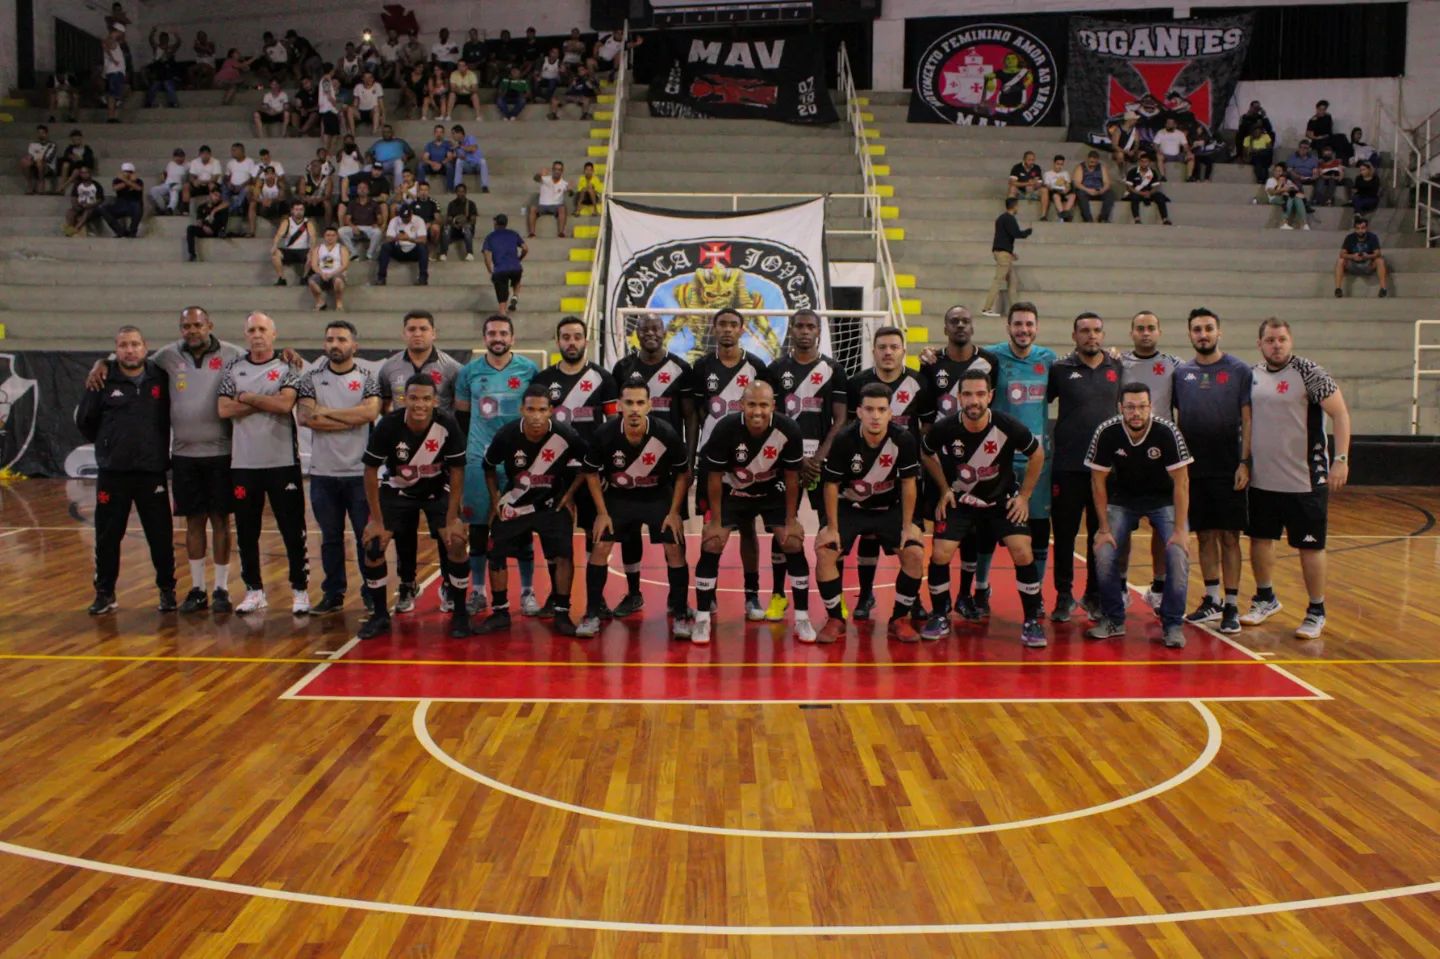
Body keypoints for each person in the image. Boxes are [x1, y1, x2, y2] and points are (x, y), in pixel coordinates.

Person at [920, 370, 1047, 648]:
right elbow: (926, 453)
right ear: (959, 397)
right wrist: (944, 489)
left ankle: (1031, 620)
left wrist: (1024, 497)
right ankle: (940, 615)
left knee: (1022, 550)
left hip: (1000, 502)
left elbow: (1037, 454)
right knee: (940, 552)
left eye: (980, 394)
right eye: (967, 394)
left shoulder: (1007, 425)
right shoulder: (946, 427)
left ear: (990, 396)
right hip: (962, 502)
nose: (973, 400)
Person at [1242, 319, 1351, 640]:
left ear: (1290, 341)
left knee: (1310, 546)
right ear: (1260, 344)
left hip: (1304, 480)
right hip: (1262, 479)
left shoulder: (1310, 373)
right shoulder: (1251, 375)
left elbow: (1340, 414)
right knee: (1260, 539)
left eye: (1282, 339)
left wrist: (1341, 459)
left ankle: (1316, 610)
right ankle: (1265, 598)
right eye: (1270, 340)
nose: (1277, 345)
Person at [692, 381, 813, 646]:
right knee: (712, 541)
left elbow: (792, 478)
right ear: (741, 405)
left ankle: (802, 617)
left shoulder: (788, 429)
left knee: (792, 542)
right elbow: (714, 477)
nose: (757, 411)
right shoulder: (726, 428)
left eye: (763, 405)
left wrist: (791, 520)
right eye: (752, 405)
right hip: (733, 489)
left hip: (772, 491)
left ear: (773, 406)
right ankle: (702, 618)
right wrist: (716, 520)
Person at [358, 375, 473, 639]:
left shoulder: (447, 424)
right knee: (374, 545)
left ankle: (459, 613)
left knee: (456, 541)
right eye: (413, 398)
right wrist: (376, 521)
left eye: (425, 399)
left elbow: (457, 470)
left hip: (437, 489)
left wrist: (453, 518)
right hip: (397, 488)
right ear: (404, 399)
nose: (419, 404)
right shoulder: (389, 425)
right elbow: (370, 470)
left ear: (435, 401)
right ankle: (379, 615)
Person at [576, 380, 693, 638]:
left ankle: (681, 613)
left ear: (650, 405)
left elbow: (683, 474)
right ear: (619, 405)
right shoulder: (605, 433)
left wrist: (674, 512)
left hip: (657, 496)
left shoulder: (666, 433)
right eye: (629, 403)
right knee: (600, 545)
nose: (635, 409)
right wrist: (602, 513)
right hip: (619, 497)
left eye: (640, 403)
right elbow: (590, 472)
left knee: (674, 546)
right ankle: (591, 613)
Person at [76, 325, 177, 614]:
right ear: (115, 350)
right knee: (107, 536)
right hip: (114, 474)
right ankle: (105, 593)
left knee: (160, 536)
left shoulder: (161, 377)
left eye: (134, 344)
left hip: (151, 472)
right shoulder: (103, 379)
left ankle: (167, 590)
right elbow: (85, 421)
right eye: (123, 345)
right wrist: (110, 445)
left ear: (145, 347)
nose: (129, 350)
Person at [814, 382, 925, 644]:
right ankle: (835, 619)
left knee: (915, 552)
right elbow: (830, 485)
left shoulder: (903, 439)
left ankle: (899, 618)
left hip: (889, 508)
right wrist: (831, 528)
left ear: (890, 412)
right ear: (860, 412)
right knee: (825, 550)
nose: (875, 416)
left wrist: (908, 526)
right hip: (850, 507)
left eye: (882, 410)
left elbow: (909, 484)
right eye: (870, 409)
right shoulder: (844, 439)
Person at [1084, 383, 1193, 648]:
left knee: (1178, 553)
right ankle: (1113, 618)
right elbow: (1097, 481)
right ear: (1120, 408)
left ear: (1150, 407)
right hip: (1122, 499)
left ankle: (1172, 624)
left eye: (1142, 407)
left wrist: (1181, 530)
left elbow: (1182, 482)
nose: (1136, 413)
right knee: (1104, 550)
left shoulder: (1167, 432)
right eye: (1130, 407)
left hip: (1163, 500)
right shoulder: (1106, 431)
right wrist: (1103, 528)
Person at [473, 384, 586, 636]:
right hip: (515, 504)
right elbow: (488, 467)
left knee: (564, 556)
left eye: (542, 410)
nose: (536, 416)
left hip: (552, 504)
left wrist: (569, 494)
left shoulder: (565, 434)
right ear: (522, 410)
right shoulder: (507, 434)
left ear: (551, 411)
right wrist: (495, 499)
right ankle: (500, 612)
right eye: (531, 409)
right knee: (495, 553)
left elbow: (589, 463)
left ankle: (562, 613)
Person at [216, 312, 311, 615]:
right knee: (246, 532)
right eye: (252, 330)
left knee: (292, 530)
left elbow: (284, 404)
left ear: (273, 334)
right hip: (244, 464)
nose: (257, 335)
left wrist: (245, 396)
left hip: (282, 461)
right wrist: (264, 399)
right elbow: (223, 409)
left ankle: (300, 590)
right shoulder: (233, 367)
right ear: (245, 335)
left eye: (262, 329)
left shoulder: (287, 366)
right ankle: (254, 590)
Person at [761, 309, 849, 621]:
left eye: (810, 326)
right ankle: (777, 595)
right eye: (799, 326)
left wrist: (819, 458)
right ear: (791, 330)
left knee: (831, 527)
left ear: (819, 331)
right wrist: (795, 460)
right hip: (785, 461)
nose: (804, 331)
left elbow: (840, 419)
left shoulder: (833, 369)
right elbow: (770, 417)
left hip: (822, 462)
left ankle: (836, 596)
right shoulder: (776, 369)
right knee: (782, 526)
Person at [454, 315, 542, 615]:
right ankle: (478, 592)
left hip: (518, 462)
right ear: (484, 338)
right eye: (492, 333)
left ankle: (528, 592)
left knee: (522, 527)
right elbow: (462, 417)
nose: (498, 338)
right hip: (478, 460)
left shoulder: (529, 369)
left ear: (512, 338)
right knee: (479, 529)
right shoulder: (468, 373)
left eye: (503, 333)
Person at [1171, 307, 1251, 634]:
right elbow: (1177, 418)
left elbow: (1248, 419)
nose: (1203, 334)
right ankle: (1212, 599)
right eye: (1197, 329)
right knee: (1204, 535)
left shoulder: (1239, 370)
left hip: (1229, 467)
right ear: (1190, 334)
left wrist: (1245, 462)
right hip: (1194, 468)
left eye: (1208, 328)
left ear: (1219, 332)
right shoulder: (1181, 374)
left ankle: (1231, 604)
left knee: (1230, 537)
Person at [531, 319, 619, 613]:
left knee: (596, 536)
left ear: (586, 341)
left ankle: (597, 598)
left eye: (577, 337)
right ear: (557, 341)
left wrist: (607, 468)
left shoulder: (603, 378)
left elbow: (613, 426)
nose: (572, 342)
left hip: (591, 472)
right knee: (555, 538)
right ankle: (557, 598)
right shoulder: (543, 380)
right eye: (566, 337)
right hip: (555, 473)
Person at [846, 325, 934, 621]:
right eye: (882, 347)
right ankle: (865, 595)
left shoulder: (919, 382)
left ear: (903, 351)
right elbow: (851, 427)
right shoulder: (858, 383)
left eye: (894, 347)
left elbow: (926, 428)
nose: (888, 352)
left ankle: (913, 599)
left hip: (906, 473)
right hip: (869, 473)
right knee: (869, 533)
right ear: (873, 351)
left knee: (912, 537)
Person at [295, 321, 381, 614]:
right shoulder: (311, 378)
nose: (335, 344)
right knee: (330, 539)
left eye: (342, 339)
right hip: (323, 474)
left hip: (359, 474)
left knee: (364, 537)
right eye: (330, 339)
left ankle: (372, 592)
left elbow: (370, 413)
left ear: (354, 345)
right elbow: (306, 418)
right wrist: (350, 418)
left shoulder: (367, 378)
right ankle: (333, 593)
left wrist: (326, 412)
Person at [691, 308, 771, 620]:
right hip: (713, 461)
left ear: (742, 329)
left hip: (748, 462)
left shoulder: (757, 366)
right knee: (712, 527)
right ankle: (707, 594)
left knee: (748, 528)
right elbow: (697, 414)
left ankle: (752, 594)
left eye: (733, 325)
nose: (727, 329)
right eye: (722, 324)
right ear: (714, 328)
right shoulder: (702, 366)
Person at [1047, 312, 1123, 622]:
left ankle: (1094, 594)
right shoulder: (1060, 369)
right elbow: (1039, 400)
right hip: (1067, 466)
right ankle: (1063, 595)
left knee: (1099, 533)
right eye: (1084, 331)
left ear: (1103, 335)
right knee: (1064, 535)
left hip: (1104, 470)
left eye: (1096, 330)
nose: (1091, 335)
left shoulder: (1117, 367)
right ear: (1074, 336)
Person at [1117, 310, 1180, 608]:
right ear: (1131, 332)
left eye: (1151, 328)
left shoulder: (1174, 365)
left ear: (1159, 332)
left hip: (1162, 457)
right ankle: (1120, 585)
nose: (1145, 333)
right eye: (1140, 328)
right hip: (1125, 455)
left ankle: (1159, 586)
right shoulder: (1118, 363)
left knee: (1161, 525)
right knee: (1123, 526)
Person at [980, 197, 1030, 317]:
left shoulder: (1000, 218)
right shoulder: (1009, 219)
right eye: (1017, 206)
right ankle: (986, 308)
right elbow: (1016, 234)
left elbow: (1002, 237)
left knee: (1013, 280)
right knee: (998, 280)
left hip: (1002, 252)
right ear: (1014, 206)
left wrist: (1010, 253)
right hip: (1003, 254)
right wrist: (1028, 231)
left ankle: (1014, 310)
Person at [1334, 216, 1391, 298]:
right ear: (1355, 229)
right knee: (1340, 261)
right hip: (1353, 263)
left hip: (1368, 264)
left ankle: (1383, 289)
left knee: (1380, 260)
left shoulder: (1372, 237)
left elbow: (1378, 253)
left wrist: (1368, 256)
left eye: (1362, 228)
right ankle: (1338, 289)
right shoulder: (1349, 238)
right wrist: (1352, 256)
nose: (1360, 231)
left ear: (1366, 228)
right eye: (1358, 228)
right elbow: (1342, 254)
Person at [481, 212, 526, 312]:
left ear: (495, 223)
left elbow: (487, 255)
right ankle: (515, 296)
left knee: (502, 303)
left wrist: (490, 270)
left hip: (500, 270)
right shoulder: (513, 234)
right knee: (517, 279)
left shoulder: (490, 237)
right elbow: (525, 248)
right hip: (515, 267)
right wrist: (520, 258)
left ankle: (503, 315)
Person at [375, 202, 429, 286]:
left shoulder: (419, 220)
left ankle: (423, 278)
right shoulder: (394, 221)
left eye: (408, 217)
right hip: (399, 250)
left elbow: (423, 239)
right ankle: (381, 278)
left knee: (423, 247)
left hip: (413, 251)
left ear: (411, 214)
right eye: (404, 218)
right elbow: (388, 238)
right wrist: (397, 238)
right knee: (385, 247)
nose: (405, 220)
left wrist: (409, 239)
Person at [269, 201, 315, 286]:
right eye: (296, 209)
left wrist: (312, 249)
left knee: (313, 254)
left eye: (301, 209)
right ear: (292, 211)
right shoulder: (287, 222)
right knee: (275, 254)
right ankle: (281, 278)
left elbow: (313, 237)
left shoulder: (308, 223)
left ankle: (304, 278)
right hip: (289, 251)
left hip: (303, 251)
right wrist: (274, 246)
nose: (299, 212)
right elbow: (279, 235)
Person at [338, 180, 386, 260]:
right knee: (341, 231)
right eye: (360, 188)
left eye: (364, 188)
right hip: (355, 227)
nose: (362, 189)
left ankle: (369, 253)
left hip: (369, 227)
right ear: (357, 190)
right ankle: (353, 253)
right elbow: (347, 219)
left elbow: (380, 219)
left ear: (368, 191)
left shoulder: (374, 203)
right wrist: (353, 226)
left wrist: (377, 223)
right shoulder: (352, 203)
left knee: (378, 232)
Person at [306, 227, 350, 311]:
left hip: (337, 273)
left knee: (338, 281)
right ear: (324, 236)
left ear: (337, 237)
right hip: (322, 274)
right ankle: (320, 302)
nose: (330, 237)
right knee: (311, 281)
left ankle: (339, 303)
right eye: (328, 235)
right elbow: (314, 265)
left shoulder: (342, 248)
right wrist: (322, 273)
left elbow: (345, 265)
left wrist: (332, 274)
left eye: (333, 235)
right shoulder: (318, 249)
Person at [1124, 155, 1173, 225]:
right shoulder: (1132, 172)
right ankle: (1137, 219)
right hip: (1137, 192)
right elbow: (1129, 187)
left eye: (1146, 162)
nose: (1144, 163)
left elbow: (1155, 187)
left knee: (1160, 196)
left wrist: (1149, 193)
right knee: (1134, 197)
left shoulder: (1153, 172)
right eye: (1142, 161)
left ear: (1149, 163)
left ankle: (1165, 219)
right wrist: (1140, 193)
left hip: (1149, 193)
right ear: (1139, 162)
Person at [101, 162, 144, 238]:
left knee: (137, 207)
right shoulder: (117, 180)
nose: (127, 174)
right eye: (125, 171)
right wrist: (127, 181)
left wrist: (127, 180)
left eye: (130, 172)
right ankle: (119, 231)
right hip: (121, 204)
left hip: (134, 205)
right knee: (103, 209)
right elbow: (115, 188)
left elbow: (138, 188)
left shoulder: (139, 181)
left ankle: (132, 232)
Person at [185, 186, 228, 261]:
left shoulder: (221, 206)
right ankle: (192, 254)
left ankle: (221, 231)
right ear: (210, 194)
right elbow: (199, 221)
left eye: (219, 196)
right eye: (215, 195)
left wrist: (214, 211)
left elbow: (227, 203)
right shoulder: (201, 207)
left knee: (223, 212)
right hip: (205, 229)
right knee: (190, 229)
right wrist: (203, 227)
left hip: (216, 230)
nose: (217, 198)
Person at [438, 184, 479, 262]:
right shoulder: (451, 204)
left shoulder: (471, 204)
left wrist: (464, 224)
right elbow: (449, 218)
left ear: (465, 192)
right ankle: (443, 253)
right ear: (456, 192)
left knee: (467, 228)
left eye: (462, 191)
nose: (461, 193)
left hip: (466, 229)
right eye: (459, 191)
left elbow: (473, 220)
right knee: (446, 228)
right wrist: (454, 224)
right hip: (455, 228)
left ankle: (470, 253)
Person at [1072, 150, 1114, 224]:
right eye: (1091, 162)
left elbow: (1107, 183)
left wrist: (1102, 190)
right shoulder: (1080, 167)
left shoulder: (1101, 167)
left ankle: (1103, 218)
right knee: (1080, 194)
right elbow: (1076, 183)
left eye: (1095, 162)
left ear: (1097, 161)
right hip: (1085, 190)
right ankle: (1088, 219)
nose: (1093, 164)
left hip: (1098, 190)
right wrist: (1088, 190)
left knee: (1110, 194)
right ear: (1088, 159)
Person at [1265, 163, 1310, 231]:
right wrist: (1283, 189)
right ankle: (1284, 223)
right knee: (1289, 197)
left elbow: (1295, 189)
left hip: (1288, 196)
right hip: (1274, 198)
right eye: (1276, 171)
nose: (1277, 173)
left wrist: (1296, 193)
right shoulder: (1270, 180)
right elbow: (1271, 193)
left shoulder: (1287, 180)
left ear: (1283, 172)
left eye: (1279, 171)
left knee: (1298, 198)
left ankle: (1304, 224)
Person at [248, 167, 290, 238]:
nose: (270, 176)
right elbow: (255, 196)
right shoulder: (261, 183)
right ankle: (252, 231)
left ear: (274, 175)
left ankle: (283, 231)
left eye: (271, 174)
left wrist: (271, 200)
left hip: (275, 205)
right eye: (268, 174)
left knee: (284, 205)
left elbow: (282, 197)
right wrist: (262, 201)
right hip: (263, 206)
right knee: (252, 204)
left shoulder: (279, 183)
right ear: (265, 175)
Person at [449, 124, 490, 194]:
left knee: (483, 161)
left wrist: (460, 146)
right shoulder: (457, 146)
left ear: (460, 133)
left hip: (476, 164)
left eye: (453, 133)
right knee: (459, 161)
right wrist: (454, 154)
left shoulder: (470, 138)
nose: (452, 136)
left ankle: (484, 186)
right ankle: (457, 186)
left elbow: (473, 149)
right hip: (467, 166)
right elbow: (462, 157)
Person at [64, 167, 104, 237]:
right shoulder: (77, 185)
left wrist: (90, 205)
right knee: (69, 212)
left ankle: (76, 228)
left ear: (90, 173)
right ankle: (69, 229)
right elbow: (73, 197)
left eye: (86, 172)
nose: (84, 175)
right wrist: (76, 205)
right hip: (80, 205)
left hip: (92, 207)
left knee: (87, 211)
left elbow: (100, 199)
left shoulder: (96, 185)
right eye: (82, 173)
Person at [1151, 116, 1194, 181]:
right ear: (1165, 124)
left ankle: (1189, 177)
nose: (1169, 125)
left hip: (1177, 155)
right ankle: (1163, 176)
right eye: (1168, 123)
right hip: (1165, 155)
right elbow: (1155, 145)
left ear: (1175, 125)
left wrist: (1188, 152)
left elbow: (1185, 145)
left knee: (1191, 156)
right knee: (1159, 156)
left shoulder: (1180, 133)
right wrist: (1158, 151)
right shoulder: (1161, 132)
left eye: (1171, 123)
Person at [20, 125, 59, 196]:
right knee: (24, 161)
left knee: (39, 162)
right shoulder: (32, 144)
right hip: (35, 164)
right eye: (39, 133)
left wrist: (37, 158)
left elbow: (48, 158)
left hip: (48, 167)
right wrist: (32, 158)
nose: (40, 134)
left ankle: (41, 182)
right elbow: (30, 156)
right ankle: (29, 184)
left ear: (46, 134)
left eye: (42, 133)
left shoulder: (52, 145)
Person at [182, 144, 222, 212]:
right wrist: (194, 181)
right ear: (199, 155)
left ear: (210, 154)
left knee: (212, 185)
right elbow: (191, 176)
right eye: (203, 154)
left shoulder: (216, 162)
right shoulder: (194, 162)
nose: (205, 156)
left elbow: (215, 178)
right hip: (199, 184)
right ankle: (185, 209)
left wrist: (201, 181)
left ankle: (211, 207)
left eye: (207, 154)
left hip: (210, 183)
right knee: (186, 186)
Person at [150, 147, 187, 215]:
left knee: (174, 191)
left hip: (178, 185)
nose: (179, 158)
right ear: (174, 157)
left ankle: (170, 208)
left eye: (181, 156)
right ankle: (162, 208)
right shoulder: (170, 164)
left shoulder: (187, 165)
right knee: (153, 190)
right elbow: (165, 173)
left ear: (184, 157)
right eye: (177, 156)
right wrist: (163, 179)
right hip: (167, 184)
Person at [56, 129, 96, 193]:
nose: (76, 141)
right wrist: (71, 157)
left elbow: (89, 161)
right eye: (74, 140)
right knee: (65, 164)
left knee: (77, 170)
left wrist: (81, 159)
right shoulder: (70, 148)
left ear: (81, 139)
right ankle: (62, 184)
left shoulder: (87, 149)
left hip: (82, 167)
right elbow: (65, 157)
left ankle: (62, 187)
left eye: (77, 139)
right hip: (72, 167)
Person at [102, 27, 128, 123]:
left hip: (115, 71)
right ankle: (111, 116)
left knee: (115, 94)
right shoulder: (112, 42)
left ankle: (112, 115)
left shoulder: (112, 43)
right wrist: (113, 60)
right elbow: (108, 48)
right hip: (115, 71)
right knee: (113, 95)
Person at [297, 157, 334, 224]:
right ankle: (299, 224)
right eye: (313, 166)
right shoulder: (304, 178)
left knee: (327, 203)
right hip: (308, 200)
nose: (315, 168)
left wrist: (317, 200)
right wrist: (308, 199)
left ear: (321, 168)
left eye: (317, 166)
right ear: (310, 168)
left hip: (321, 201)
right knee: (300, 202)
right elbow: (301, 193)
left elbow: (328, 195)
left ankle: (328, 226)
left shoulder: (327, 179)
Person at [1040, 154, 1075, 222]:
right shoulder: (1048, 173)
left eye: (1061, 164)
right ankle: (1062, 214)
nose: (1059, 166)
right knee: (1056, 196)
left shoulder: (1065, 173)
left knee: (1073, 195)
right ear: (1054, 163)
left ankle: (1065, 213)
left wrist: (1066, 189)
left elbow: (1068, 185)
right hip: (1054, 191)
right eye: (1058, 164)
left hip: (1064, 191)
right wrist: (1055, 190)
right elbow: (1047, 186)